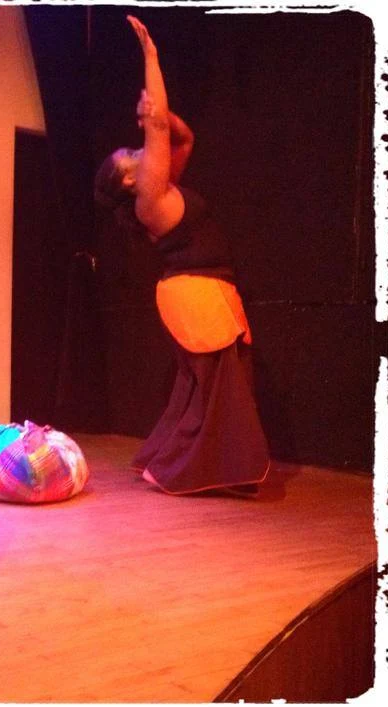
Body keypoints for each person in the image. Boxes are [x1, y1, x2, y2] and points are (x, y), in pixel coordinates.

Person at [93, 15, 269, 497]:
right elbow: (156, 128)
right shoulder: (149, 200)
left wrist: (164, 119)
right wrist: (150, 57)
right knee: (219, 390)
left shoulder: (162, 187)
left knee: (209, 389)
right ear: (128, 182)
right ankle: (195, 469)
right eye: (129, 158)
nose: (138, 153)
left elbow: (183, 137)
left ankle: (193, 465)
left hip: (207, 292)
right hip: (196, 294)